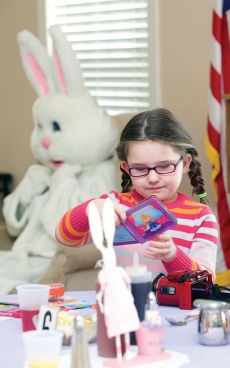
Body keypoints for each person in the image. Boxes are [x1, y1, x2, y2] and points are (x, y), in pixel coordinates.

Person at [55, 108, 218, 277]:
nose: (153, 178)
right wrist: (90, 208)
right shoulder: (114, 207)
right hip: (121, 302)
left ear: (185, 163)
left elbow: (206, 281)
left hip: (173, 304)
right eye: (140, 168)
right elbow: (64, 237)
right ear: (126, 168)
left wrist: (173, 256)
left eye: (164, 166)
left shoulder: (201, 217)